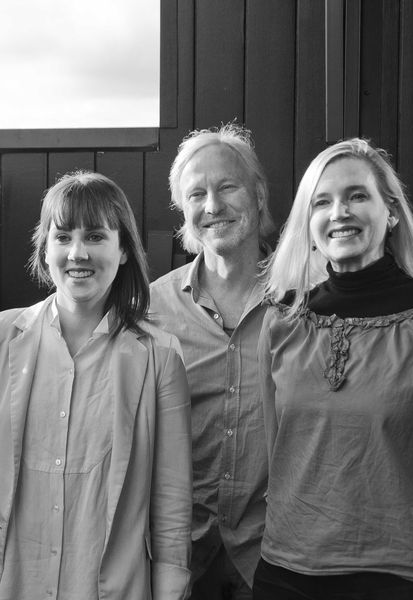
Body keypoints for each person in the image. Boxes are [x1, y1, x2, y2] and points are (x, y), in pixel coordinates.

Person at [0, 171, 193, 600]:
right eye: (63, 236)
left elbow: (172, 503)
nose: (77, 252)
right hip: (0, 584)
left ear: (123, 250)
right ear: (44, 249)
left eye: (95, 236)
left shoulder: (160, 356)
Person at [256, 138, 413, 599]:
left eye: (357, 196)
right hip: (288, 570)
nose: (339, 212)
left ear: (391, 213)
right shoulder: (281, 323)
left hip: (405, 574)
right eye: (321, 202)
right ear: (308, 225)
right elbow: (277, 451)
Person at [149, 124, 275, 600]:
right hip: (179, 557)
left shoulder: (303, 298)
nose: (213, 206)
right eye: (196, 194)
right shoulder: (152, 310)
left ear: (258, 194)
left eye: (227, 187)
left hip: (272, 553)